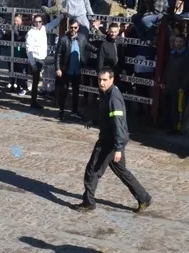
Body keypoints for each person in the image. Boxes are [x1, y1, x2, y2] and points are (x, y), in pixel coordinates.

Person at [75, 67, 152, 213]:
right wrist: (95, 121)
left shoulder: (113, 98)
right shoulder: (106, 94)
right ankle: (144, 198)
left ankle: (88, 202)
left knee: (92, 170)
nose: (101, 83)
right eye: (99, 80)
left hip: (110, 142)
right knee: (122, 171)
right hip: (112, 139)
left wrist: (118, 148)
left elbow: (118, 123)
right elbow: (107, 117)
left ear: (112, 79)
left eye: (105, 80)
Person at [55, 18, 87, 120]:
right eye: (71, 27)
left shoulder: (82, 37)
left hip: (77, 70)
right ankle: (61, 111)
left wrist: (100, 49)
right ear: (69, 27)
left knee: (76, 92)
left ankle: (74, 110)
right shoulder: (63, 38)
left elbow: (89, 46)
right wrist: (58, 68)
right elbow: (58, 54)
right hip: (66, 69)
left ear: (78, 28)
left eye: (75, 27)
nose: (73, 29)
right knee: (63, 92)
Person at [25, 14, 49, 109]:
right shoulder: (30, 33)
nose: (38, 23)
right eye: (36, 22)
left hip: (44, 57)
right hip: (36, 59)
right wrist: (33, 63)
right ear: (33, 22)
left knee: (56, 61)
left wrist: (61, 17)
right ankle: (33, 102)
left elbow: (52, 24)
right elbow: (28, 49)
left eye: (40, 21)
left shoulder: (43, 28)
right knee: (35, 81)